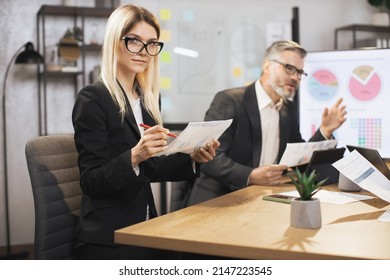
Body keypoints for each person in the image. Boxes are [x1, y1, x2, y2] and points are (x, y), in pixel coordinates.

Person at [71, 4, 219, 260]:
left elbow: (151, 169)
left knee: (204, 252)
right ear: (114, 41)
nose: (144, 51)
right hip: (109, 235)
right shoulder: (93, 98)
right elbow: (90, 182)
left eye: (151, 44)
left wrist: (193, 158)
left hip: (146, 224)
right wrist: (135, 155)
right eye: (134, 42)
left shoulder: (148, 99)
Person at [186, 40, 347, 206]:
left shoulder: (288, 109)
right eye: (289, 68)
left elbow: (298, 159)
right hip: (218, 201)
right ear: (267, 66)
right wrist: (251, 175)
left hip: (261, 198)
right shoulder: (230, 101)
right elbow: (209, 158)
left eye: (300, 72)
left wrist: (325, 129)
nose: (295, 77)